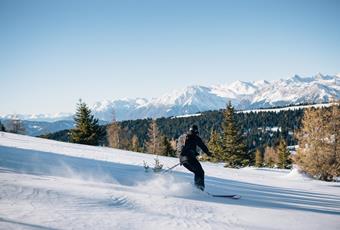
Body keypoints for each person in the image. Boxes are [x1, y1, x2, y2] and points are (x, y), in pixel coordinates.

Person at [179, 125, 211, 191]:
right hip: (190, 158)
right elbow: (202, 145)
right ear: (196, 130)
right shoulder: (195, 137)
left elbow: (179, 147)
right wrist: (208, 153)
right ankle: (199, 189)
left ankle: (197, 188)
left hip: (183, 160)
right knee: (200, 172)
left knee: (197, 172)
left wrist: (181, 157)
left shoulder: (182, 136)